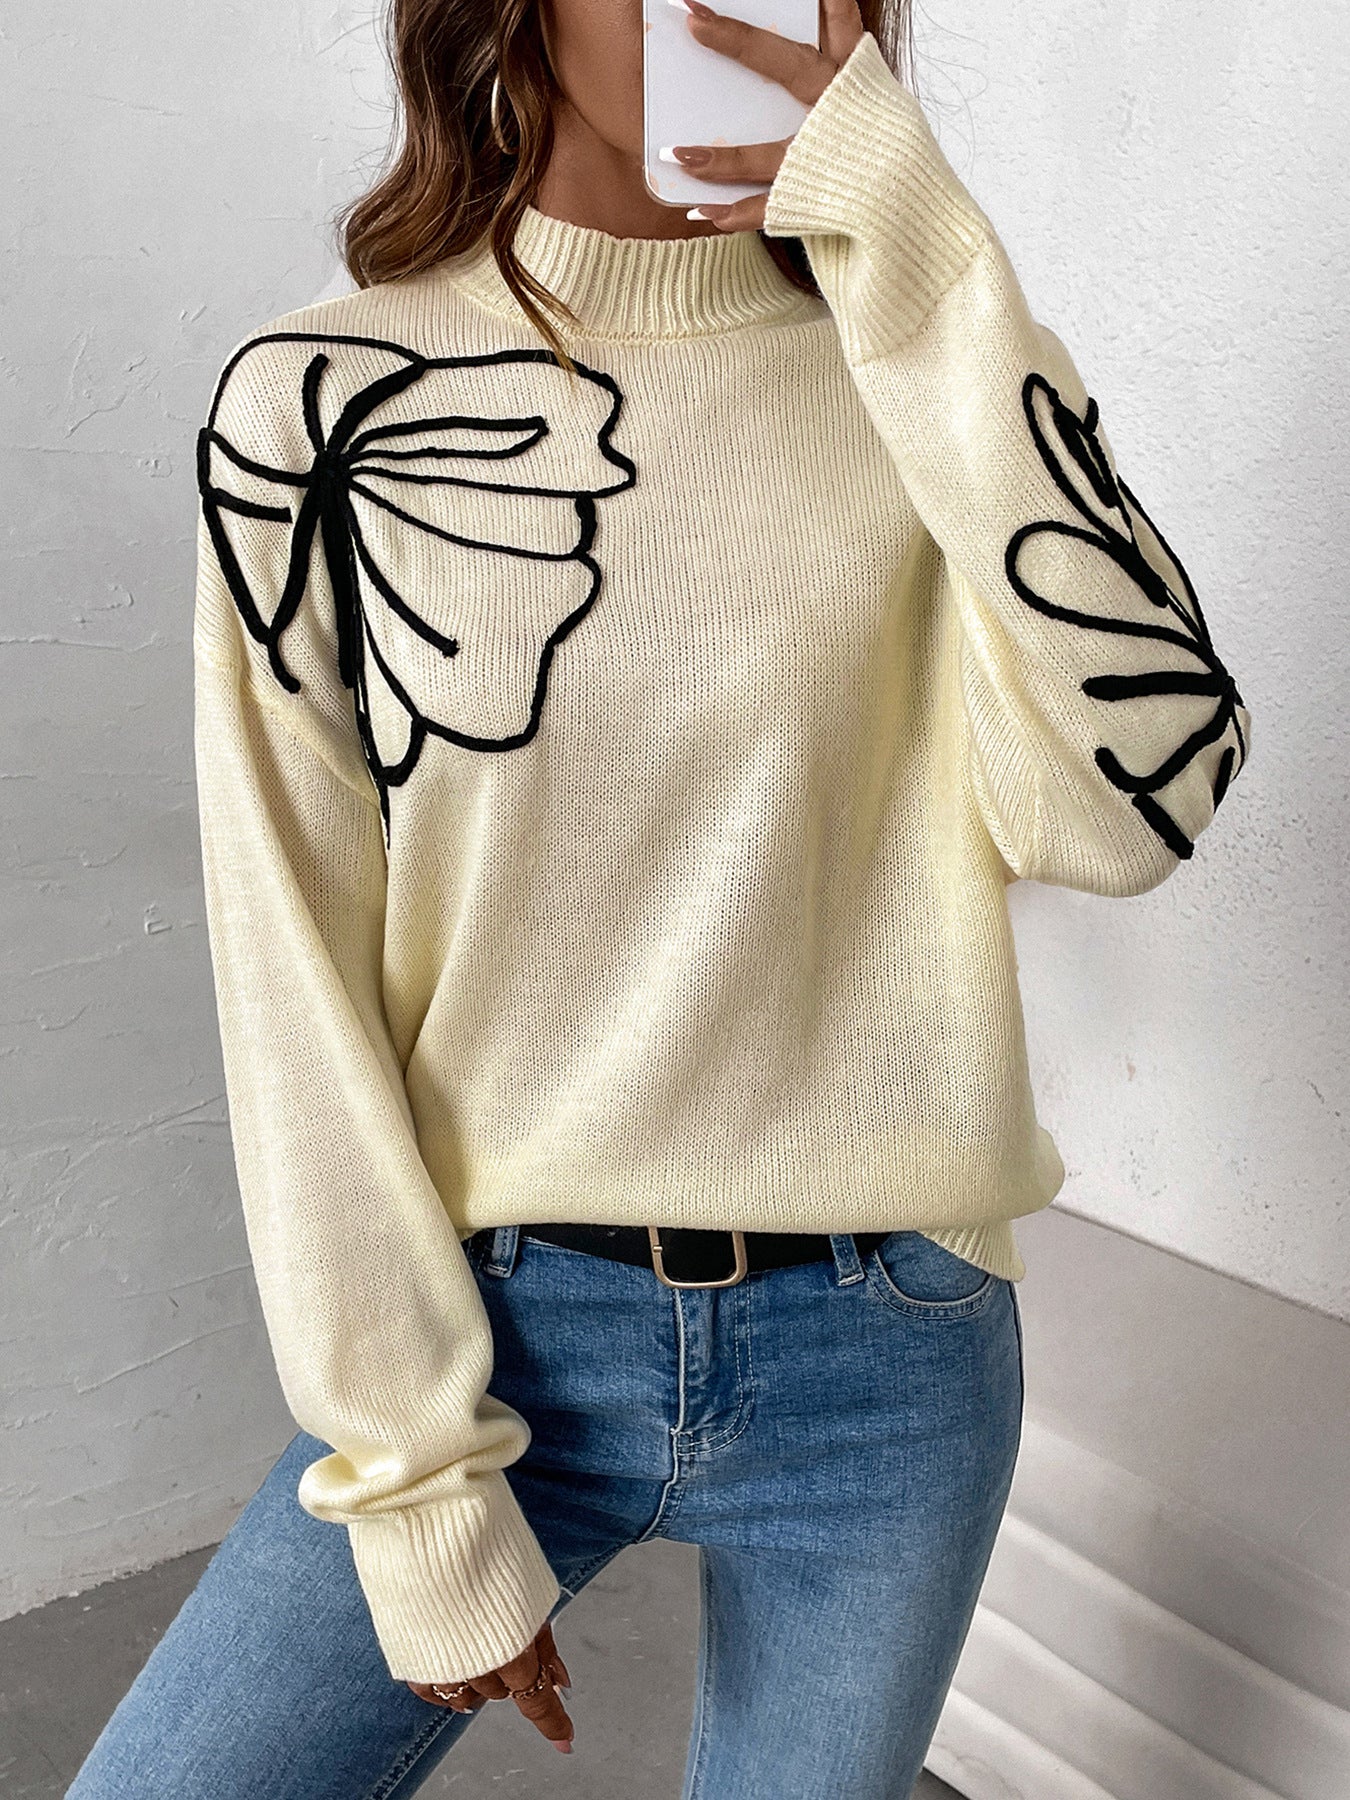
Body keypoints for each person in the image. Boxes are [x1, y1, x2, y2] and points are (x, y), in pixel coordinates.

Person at [66, 0, 1252, 1793]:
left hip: (892, 1344)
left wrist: (920, 262)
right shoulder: (328, 404)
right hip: (504, 1329)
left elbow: (1132, 806)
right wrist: (415, 1480)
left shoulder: (927, 373)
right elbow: (289, 968)